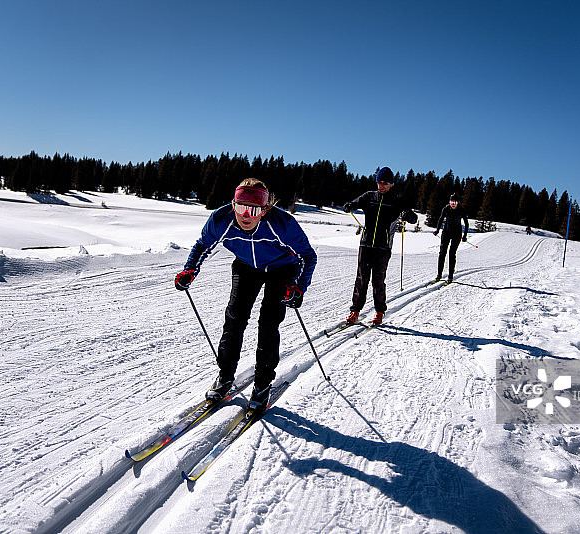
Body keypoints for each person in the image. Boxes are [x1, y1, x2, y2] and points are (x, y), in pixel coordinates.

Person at [174, 178, 317, 412]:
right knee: (234, 318)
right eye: (240, 207)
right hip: (246, 266)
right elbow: (203, 245)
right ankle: (225, 377)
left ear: (264, 209)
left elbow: (308, 256)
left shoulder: (282, 224)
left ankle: (262, 385)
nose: (246, 215)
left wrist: (299, 287)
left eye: (253, 209)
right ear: (233, 205)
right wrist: (190, 270)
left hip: (281, 268)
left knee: (269, 323)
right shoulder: (221, 220)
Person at [342, 167, 418, 326]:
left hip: (383, 247)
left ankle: (379, 312)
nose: (382, 185)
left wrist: (408, 216)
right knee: (361, 279)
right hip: (366, 244)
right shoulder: (369, 196)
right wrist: (348, 205)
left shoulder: (396, 201)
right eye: (379, 182)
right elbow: (354, 203)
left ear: (391, 184)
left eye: (385, 183)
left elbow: (413, 218)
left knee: (378, 281)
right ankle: (355, 311)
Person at [433, 193, 469, 281]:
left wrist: (464, 236)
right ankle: (439, 274)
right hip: (446, 232)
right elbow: (441, 219)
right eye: (452, 202)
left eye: (455, 202)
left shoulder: (461, 210)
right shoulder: (446, 209)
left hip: (457, 234)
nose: (453, 204)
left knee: (452, 253)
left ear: (458, 203)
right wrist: (437, 230)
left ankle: (450, 276)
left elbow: (466, 223)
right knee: (442, 253)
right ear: (449, 202)